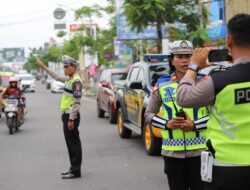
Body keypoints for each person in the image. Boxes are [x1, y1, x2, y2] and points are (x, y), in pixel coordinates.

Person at [176, 14, 250, 190]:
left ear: (229, 41)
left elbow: (183, 97)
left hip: (227, 169)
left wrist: (194, 66)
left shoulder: (218, 81)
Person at [145, 40, 209, 190]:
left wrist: (194, 125)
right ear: (172, 60)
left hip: (201, 152)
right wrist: (167, 124)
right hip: (172, 154)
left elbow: (217, 116)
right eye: (179, 56)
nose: (184, 60)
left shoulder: (205, 82)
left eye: (188, 56)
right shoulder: (162, 84)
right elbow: (148, 114)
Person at [36, 55, 83, 179]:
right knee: (70, 143)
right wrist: (43, 66)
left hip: (71, 116)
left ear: (73, 67)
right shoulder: (69, 79)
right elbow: (56, 76)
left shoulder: (76, 81)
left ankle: (76, 170)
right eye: (64, 67)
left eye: (67, 67)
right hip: (66, 116)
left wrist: (71, 119)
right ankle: (73, 168)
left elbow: (76, 101)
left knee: (74, 143)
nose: (65, 69)